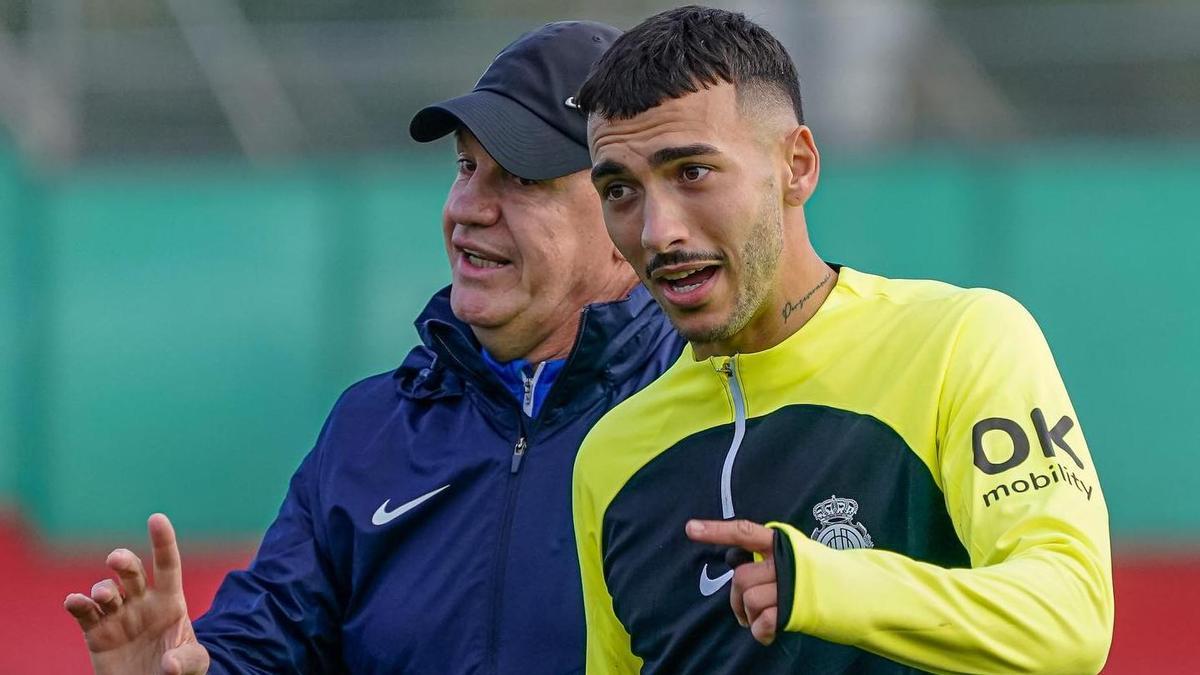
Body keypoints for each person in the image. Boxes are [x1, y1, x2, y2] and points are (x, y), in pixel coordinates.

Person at [63, 21, 684, 674]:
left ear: (626, 216)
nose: (467, 207)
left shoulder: (710, 423)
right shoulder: (371, 429)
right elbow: (265, 641)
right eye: (466, 166)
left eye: (521, 179)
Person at [571, 6, 1113, 674]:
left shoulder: (960, 340)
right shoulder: (609, 457)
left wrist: (826, 585)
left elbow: (1070, 618)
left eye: (691, 173)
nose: (657, 231)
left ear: (796, 166)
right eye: (620, 188)